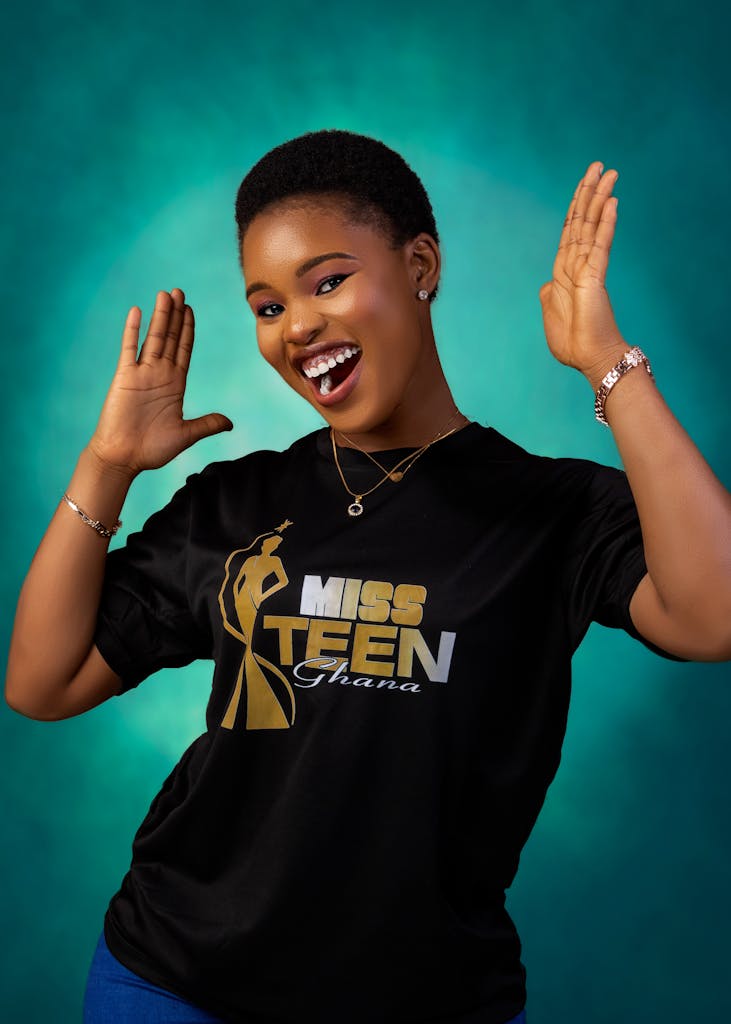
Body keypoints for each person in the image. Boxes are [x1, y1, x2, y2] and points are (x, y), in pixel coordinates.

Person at [5, 129, 731, 1024]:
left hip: (424, 998)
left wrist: (605, 361)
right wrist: (107, 464)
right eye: (266, 307)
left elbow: (713, 616)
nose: (297, 326)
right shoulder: (234, 502)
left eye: (328, 280)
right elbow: (43, 682)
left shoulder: (550, 508)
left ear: (419, 263)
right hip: (171, 983)